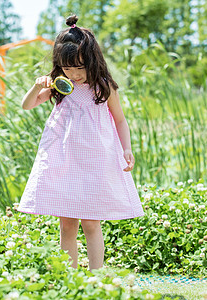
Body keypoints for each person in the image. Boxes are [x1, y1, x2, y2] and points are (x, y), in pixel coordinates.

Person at [17, 14, 144, 272]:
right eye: (67, 68)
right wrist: (37, 86)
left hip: (94, 162)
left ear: (92, 60)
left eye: (79, 67)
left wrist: (126, 148)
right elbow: (27, 105)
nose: (73, 74)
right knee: (67, 223)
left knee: (91, 223)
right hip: (65, 162)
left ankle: (96, 276)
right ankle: (70, 278)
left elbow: (120, 121)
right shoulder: (59, 85)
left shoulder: (103, 87)